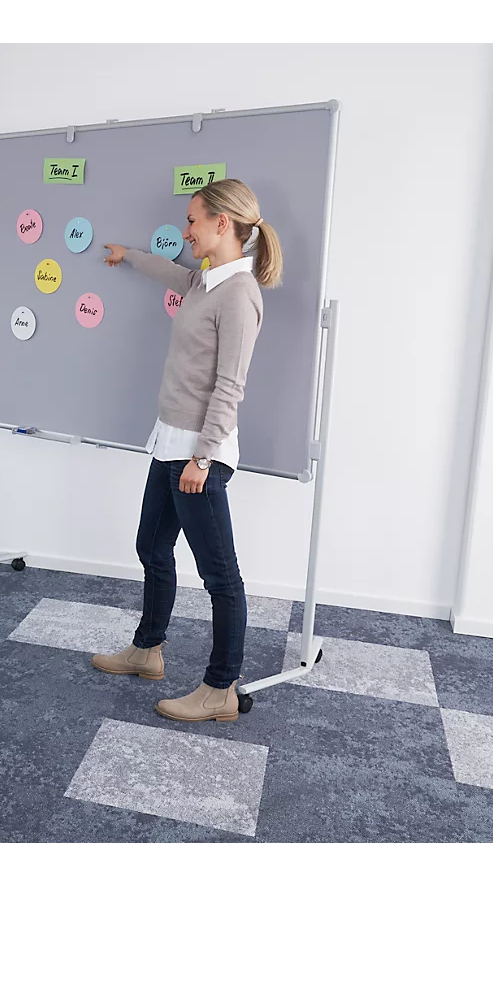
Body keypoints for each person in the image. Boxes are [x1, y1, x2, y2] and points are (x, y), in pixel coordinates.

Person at [95, 179, 282, 722]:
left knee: (220, 576)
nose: (187, 230)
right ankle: (148, 649)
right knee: (151, 548)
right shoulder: (207, 281)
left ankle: (221, 688)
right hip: (170, 444)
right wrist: (129, 256)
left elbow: (231, 386)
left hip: (198, 456)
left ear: (223, 224)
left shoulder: (240, 295)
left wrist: (202, 460)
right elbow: (176, 274)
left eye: (193, 220)